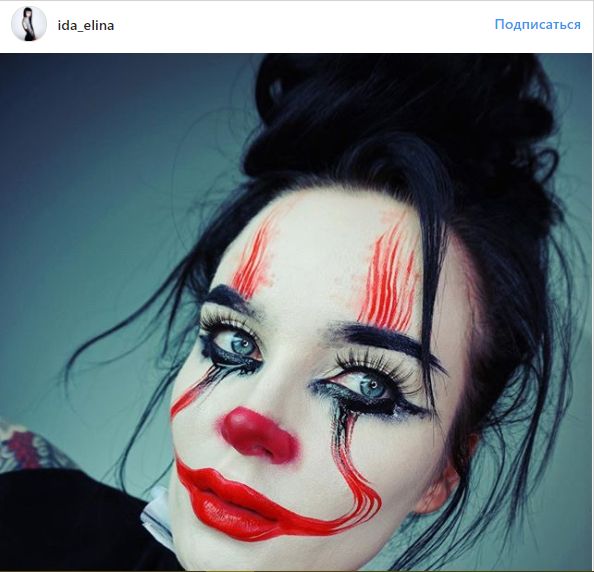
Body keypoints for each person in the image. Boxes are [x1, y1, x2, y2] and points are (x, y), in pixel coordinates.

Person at [0, 54, 575, 570]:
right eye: (234, 342)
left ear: (443, 472)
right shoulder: (24, 514)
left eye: (368, 385)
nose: (249, 422)